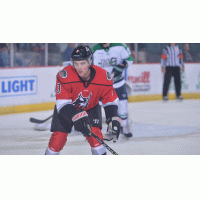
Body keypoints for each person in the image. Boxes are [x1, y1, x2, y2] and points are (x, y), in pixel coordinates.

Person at [45, 45, 122, 155]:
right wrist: (76, 116)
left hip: (90, 107)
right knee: (58, 140)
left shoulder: (103, 77)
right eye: (76, 63)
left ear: (90, 61)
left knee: (96, 139)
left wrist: (113, 117)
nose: (79, 68)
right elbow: (62, 104)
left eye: (83, 63)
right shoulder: (64, 76)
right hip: (67, 109)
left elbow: (110, 100)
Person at [92, 43, 134, 139]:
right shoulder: (94, 50)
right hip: (102, 86)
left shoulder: (120, 46)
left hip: (118, 83)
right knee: (95, 107)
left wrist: (123, 65)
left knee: (123, 105)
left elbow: (130, 58)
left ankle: (124, 126)